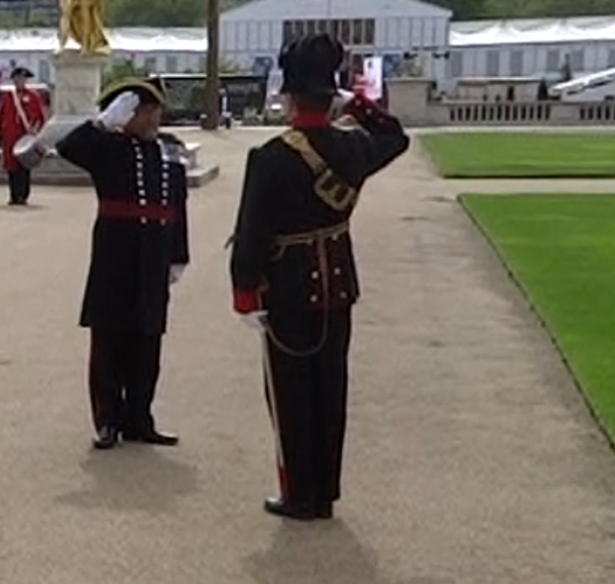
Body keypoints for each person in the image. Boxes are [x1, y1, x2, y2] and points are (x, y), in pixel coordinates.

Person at [229, 33, 410, 521]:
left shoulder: (269, 157)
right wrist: (362, 104)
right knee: (331, 390)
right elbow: (397, 137)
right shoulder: (354, 149)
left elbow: (252, 231)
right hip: (338, 286)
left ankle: (298, 494)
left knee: (290, 394)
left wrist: (245, 290)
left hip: (286, 287)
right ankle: (324, 492)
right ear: (333, 99)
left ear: (288, 98)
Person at [53, 75, 190, 450]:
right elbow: (68, 147)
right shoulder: (108, 148)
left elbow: (177, 206)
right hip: (116, 252)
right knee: (110, 337)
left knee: (148, 337)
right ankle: (107, 418)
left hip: (153, 252)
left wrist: (178, 253)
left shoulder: (169, 149)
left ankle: (139, 417)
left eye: (154, 110)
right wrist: (102, 123)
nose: (152, 119)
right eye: (143, 111)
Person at [0, 66, 48, 206]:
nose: (20, 81)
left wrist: (35, 131)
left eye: (23, 79)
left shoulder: (33, 96)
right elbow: (0, 117)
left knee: (24, 167)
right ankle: (13, 195)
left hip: (26, 137)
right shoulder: (7, 97)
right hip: (10, 137)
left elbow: (41, 118)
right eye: (18, 78)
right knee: (11, 167)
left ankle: (23, 195)